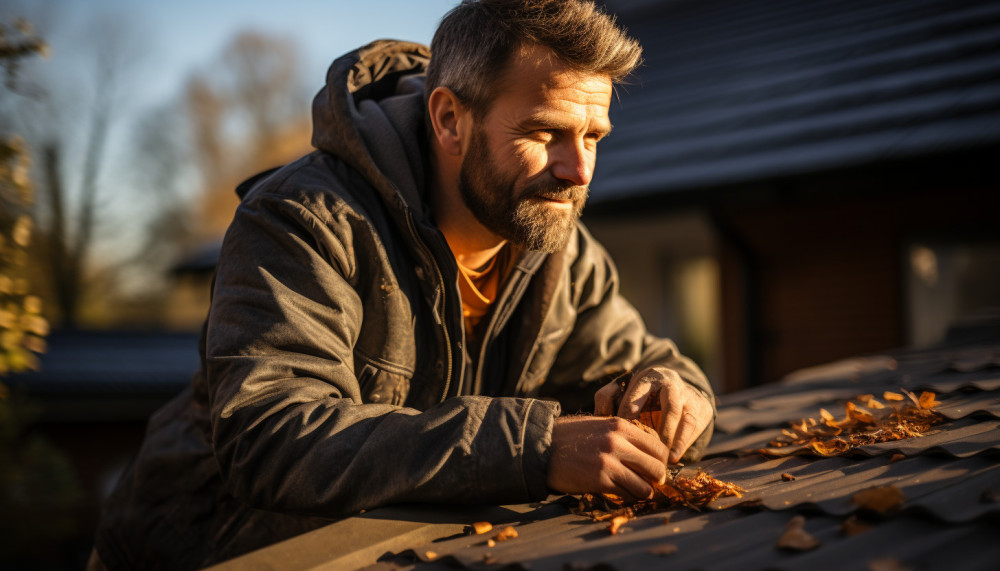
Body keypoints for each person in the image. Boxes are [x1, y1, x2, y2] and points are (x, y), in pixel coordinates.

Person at [92, 0, 715, 568]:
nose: (577, 168)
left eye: (593, 136)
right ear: (449, 119)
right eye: (544, 131)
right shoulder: (302, 221)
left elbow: (650, 363)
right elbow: (271, 436)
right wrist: (532, 446)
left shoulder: (561, 254)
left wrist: (675, 391)